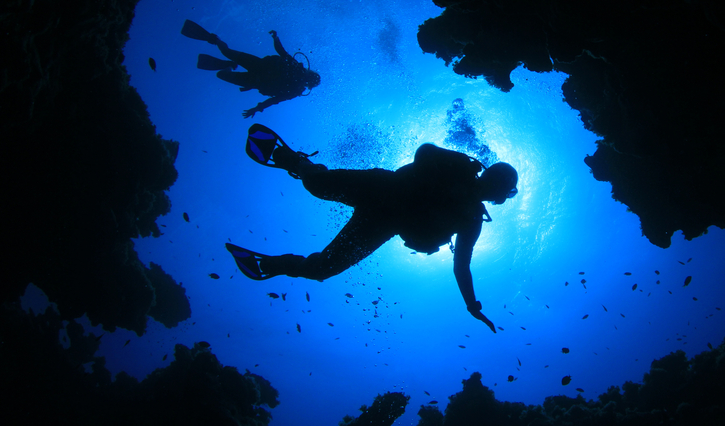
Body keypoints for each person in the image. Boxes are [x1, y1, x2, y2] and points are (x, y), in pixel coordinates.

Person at [226, 125, 518, 332]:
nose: (498, 196)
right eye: (502, 190)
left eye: (503, 192)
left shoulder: (471, 220)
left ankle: (275, 265)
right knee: (317, 186)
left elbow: (461, 266)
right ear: (496, 184)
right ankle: (295, 162)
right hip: (383, 187)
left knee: (323, 269)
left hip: (383, 224)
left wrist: (472, 305)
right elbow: (425, 151)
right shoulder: (461, 167)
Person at [181, 19, 321, 118]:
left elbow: (275, 100)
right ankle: (214, 39)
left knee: (221, 75)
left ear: (308, 84)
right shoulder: (295, 66)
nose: (305, 77)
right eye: (309, 76)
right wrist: (276, 38)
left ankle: (228, 65)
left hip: (254, 81)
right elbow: (281, 51)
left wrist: (257, 108)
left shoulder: (295, 91)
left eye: (308, 80)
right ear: (309, 73)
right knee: (226, 52)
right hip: (257, 64)